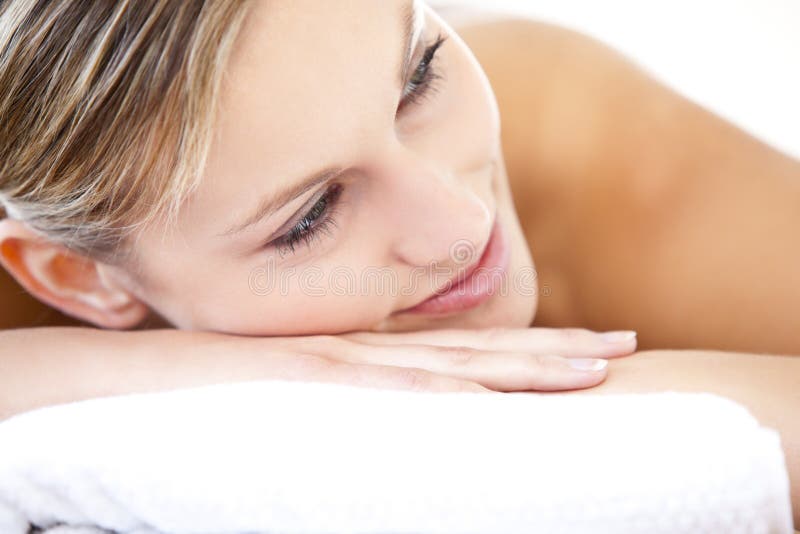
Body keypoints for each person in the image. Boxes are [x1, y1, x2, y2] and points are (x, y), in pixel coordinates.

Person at [0, 0, 797, 523]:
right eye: (311, 215)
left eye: (419, 79)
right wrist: (120, 371)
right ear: (80, 277)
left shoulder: (565, 120)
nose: (464, 221)